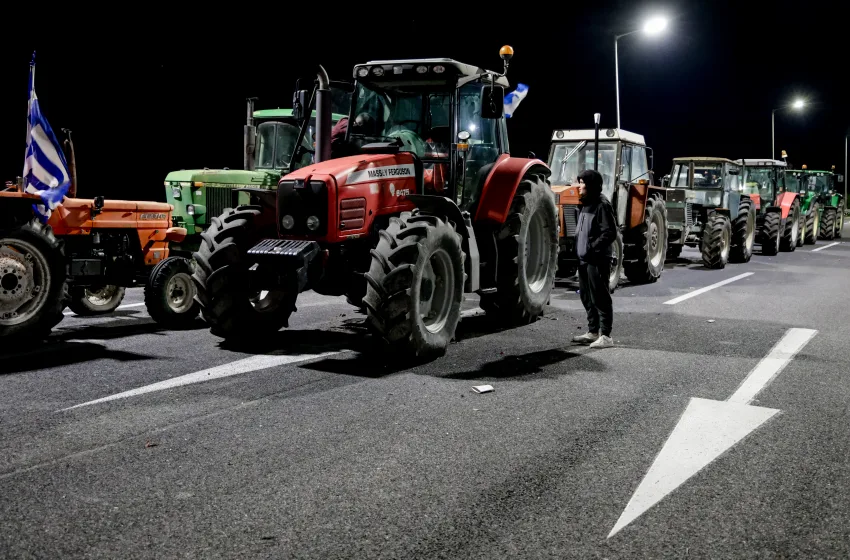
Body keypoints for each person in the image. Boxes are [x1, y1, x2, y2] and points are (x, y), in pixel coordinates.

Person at [572, 169, 617, 348]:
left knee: (600, 297)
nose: (579, 186)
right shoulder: (586, 203)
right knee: (587, 297)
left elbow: (610, 232)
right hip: (584, 259)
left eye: (582, 183)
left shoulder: (602, 204)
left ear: (591, 185)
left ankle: (606, 336)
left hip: (597, 259)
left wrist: (592, 248)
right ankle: (593, 332)